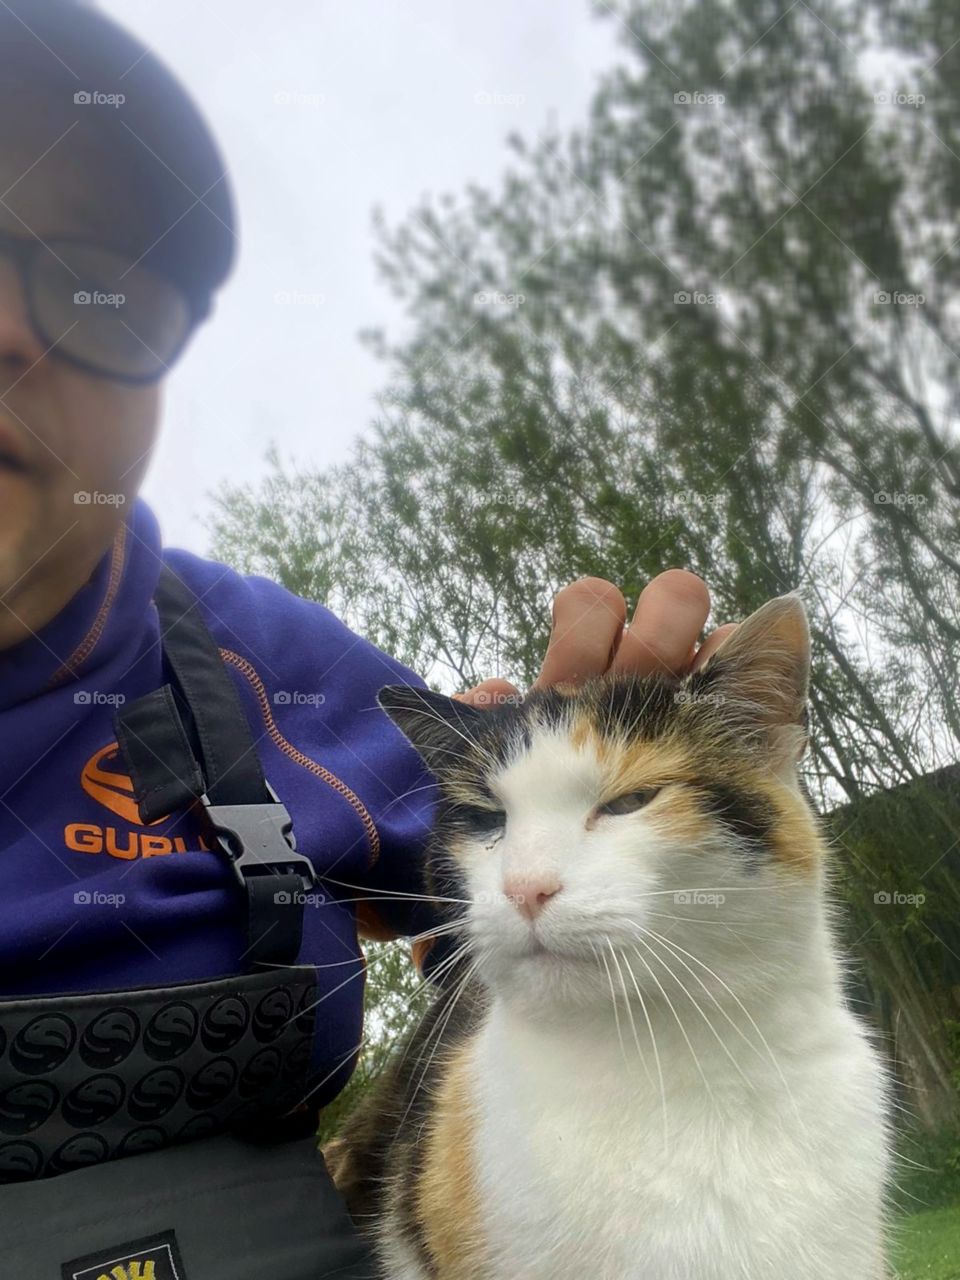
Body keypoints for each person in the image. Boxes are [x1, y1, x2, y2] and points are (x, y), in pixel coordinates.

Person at [0, 2, 737, 1276]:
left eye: (91, 279)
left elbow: (497, 916)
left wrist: (574, 805)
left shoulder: (251, 661)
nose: (12, 332)